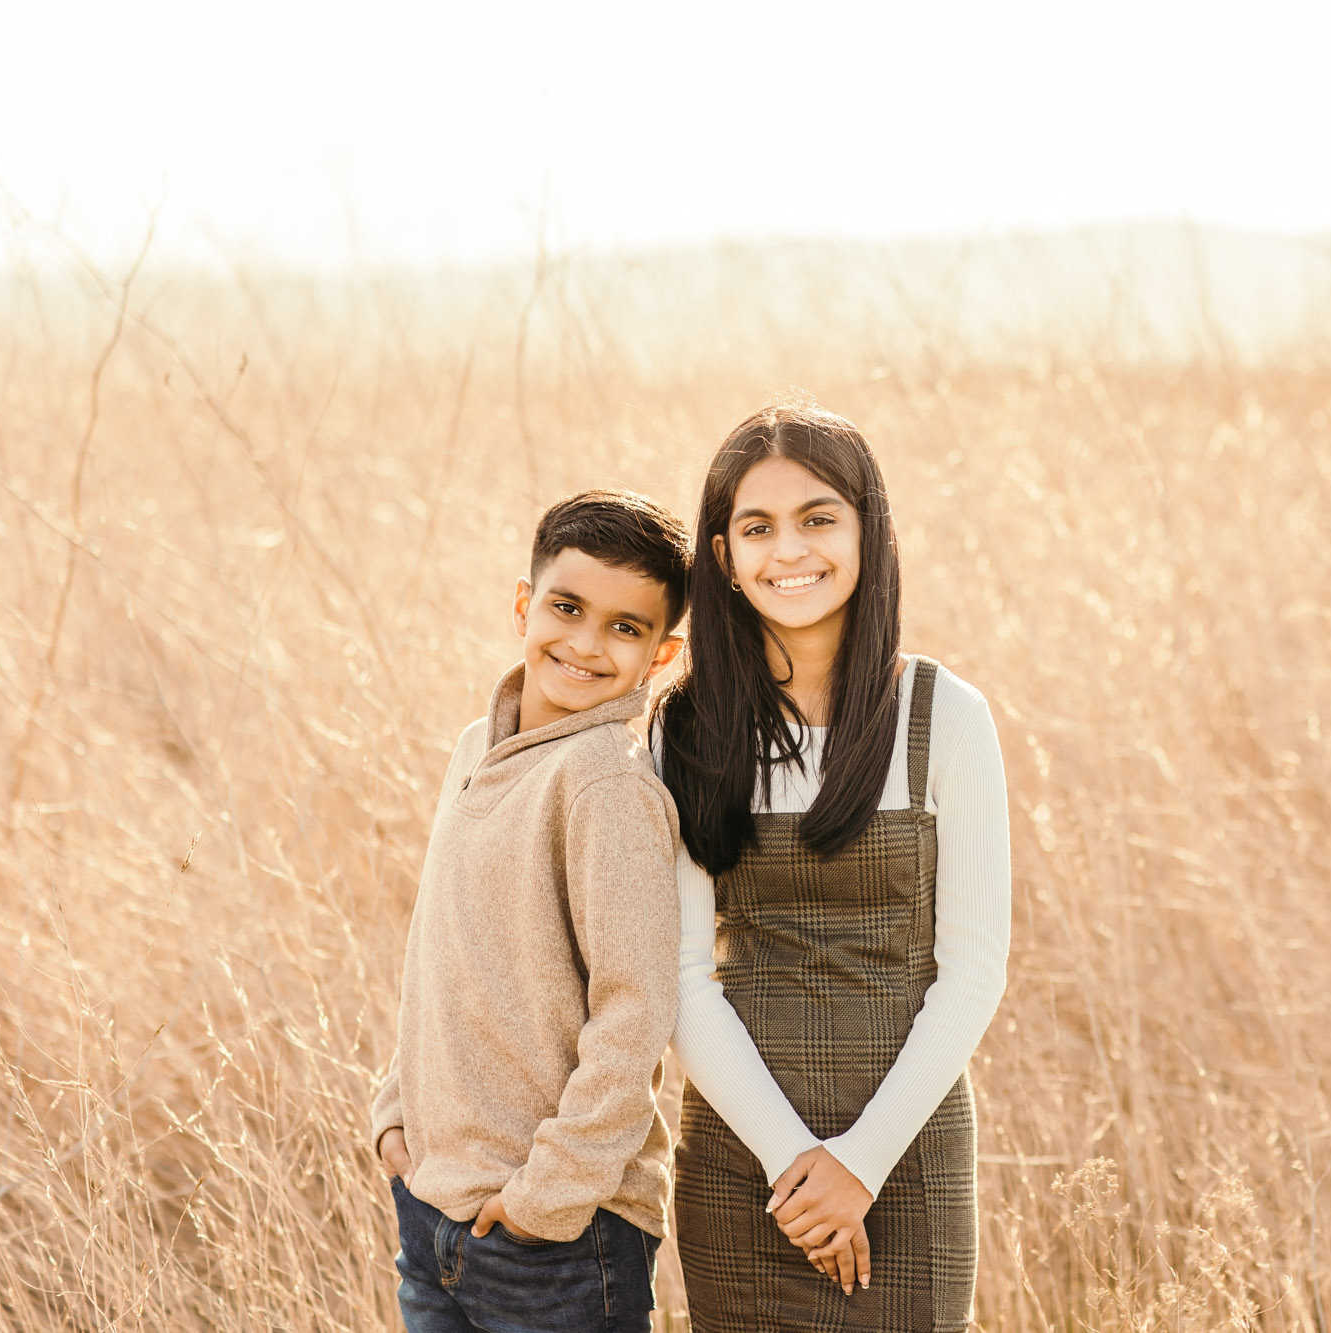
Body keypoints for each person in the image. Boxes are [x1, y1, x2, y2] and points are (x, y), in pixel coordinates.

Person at [658, 400, 1012, 1332]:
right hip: (743, 1166)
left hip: (905, 1154)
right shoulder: (686, 726)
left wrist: (858, 1162)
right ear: (722, 555)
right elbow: (683, 978)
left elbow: (973, 971)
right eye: (757, 527)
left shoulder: (946, 717)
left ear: (868, 530)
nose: (790, 551)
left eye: (819, 518)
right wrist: (791, 1163)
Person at [370, 489, 690, 1333]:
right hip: (436, 1208)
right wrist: (395, 1111)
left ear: (662, 655)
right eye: (568, 607)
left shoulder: (606, 782)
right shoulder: (477, 747)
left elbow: (637, 1009)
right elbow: (441, 950)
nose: (586, 644)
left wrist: (543, 1196)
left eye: (626, 627)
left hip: (557, 1240)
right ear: (525, 603)